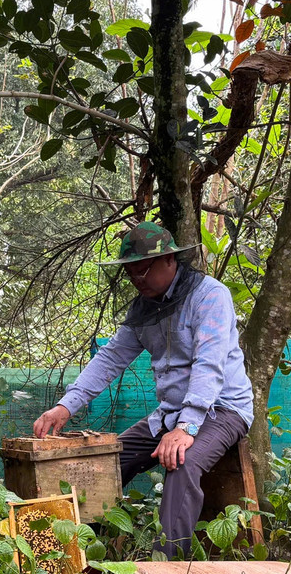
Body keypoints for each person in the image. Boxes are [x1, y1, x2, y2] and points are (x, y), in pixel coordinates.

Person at [32, 222, 253, 556]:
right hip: (171, 414)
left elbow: (209, 365)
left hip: (223, 409)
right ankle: (76, 557)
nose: (137, 280)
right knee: (103, 462)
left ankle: (166, 571)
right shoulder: (143, 308)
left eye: (143, 270)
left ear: (170, 261)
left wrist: (186, 427)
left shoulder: (210, 295)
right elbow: (109, 359)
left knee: (181, 461)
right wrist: (66, 406)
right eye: (130, 274)